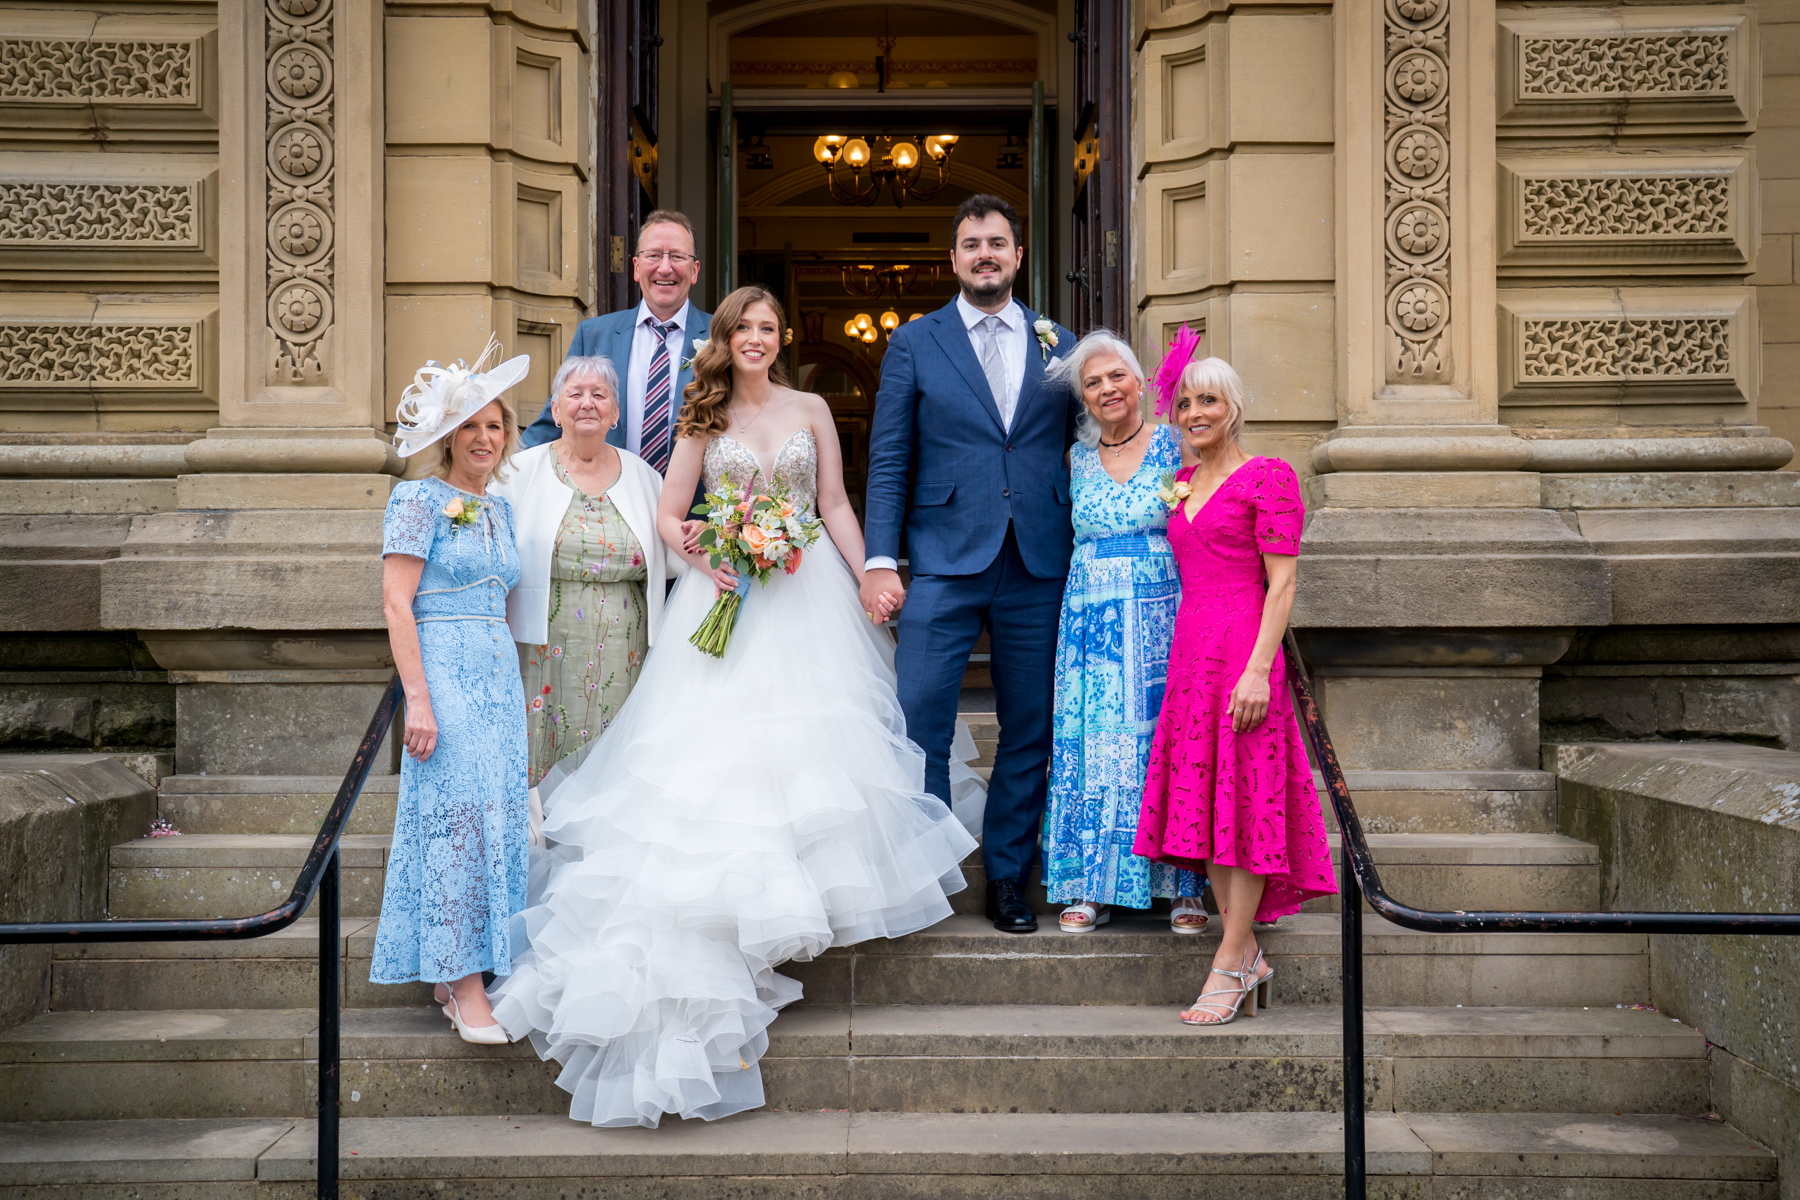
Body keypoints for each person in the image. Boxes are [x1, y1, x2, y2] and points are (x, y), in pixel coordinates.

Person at [487, 286, 976, 1128]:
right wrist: (717, 550)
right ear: (724, 338)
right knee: (715, 756)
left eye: (769, 328)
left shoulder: (812, 405)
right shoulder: (702, 415)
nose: (756, 338)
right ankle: (730, 915)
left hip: (809, 592)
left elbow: (831, 504)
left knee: (813, 753)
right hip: (728, 598)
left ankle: (803, 903)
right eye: (742, 327)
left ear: (782, 339)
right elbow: (673, 516)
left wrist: (868, 573)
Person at [861, 194, 1077, 934]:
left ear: (1018, 256)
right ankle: (927, 869)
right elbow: (889, 457)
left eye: (997, 243)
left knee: (1030, 725)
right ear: (952, 260)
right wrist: (881, 558)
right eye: (970, 244)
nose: (984, 254)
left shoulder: (1062, 345)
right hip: (944, 557)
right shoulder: (916, 343)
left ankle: (1009, 877)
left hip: (1041, 558)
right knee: (919, 715)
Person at [1131, 354, 1337, 1026]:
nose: (1194, 415)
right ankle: (1245, 952)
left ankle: (1227, 962)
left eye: (1208, 402)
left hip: (1246, 654)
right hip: (1192, 657)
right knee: (1208, 806)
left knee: (1245, 803)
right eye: (1185, 403)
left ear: (1235, 407)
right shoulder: (1182, 482)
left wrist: (1257, 669)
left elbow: (1283, 584)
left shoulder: (1269, 477)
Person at [372, 338, 533, 1044]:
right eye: (470, 425)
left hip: (497, 679)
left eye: (495, 425)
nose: (484, 438)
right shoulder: (417, 498)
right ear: (446, 434)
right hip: (444, 672)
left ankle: (460, 968)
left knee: (494, 819)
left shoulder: (497, 508)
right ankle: (466, 987)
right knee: (457, 825)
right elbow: (396, 603)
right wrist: (421, 699)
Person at [1039, 331, 1205, 934]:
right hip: (1090, 623)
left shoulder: (1176, 445)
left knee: (1166, 741)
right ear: (1082, 397)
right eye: (1093, 382)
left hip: (1163, 617)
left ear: (1140, 384)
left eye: (1117, 377)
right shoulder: (1075, 459)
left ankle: (1184, 888)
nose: (1107, 389)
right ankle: (1092, 882)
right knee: (1096, 745)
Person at [492, 355, 679, 791]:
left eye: (600, 394)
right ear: (556, 410)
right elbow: (492, 558)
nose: (587, 404)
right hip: (539, 650)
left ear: (615, 413)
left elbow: (674, 554)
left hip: (626, 651)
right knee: (542, 755)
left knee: (616, 763)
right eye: (575, 394)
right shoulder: (518, 473)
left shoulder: (646, 477)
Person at [518, 210, 712, 474]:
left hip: (691, 511)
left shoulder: (720, 337)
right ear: (636, 267)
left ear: (695, 270)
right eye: (654, 255)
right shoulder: (595, 334)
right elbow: (557, 420)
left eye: (677, 256)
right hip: (606, 504)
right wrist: (497, 477)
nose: (665, 267)